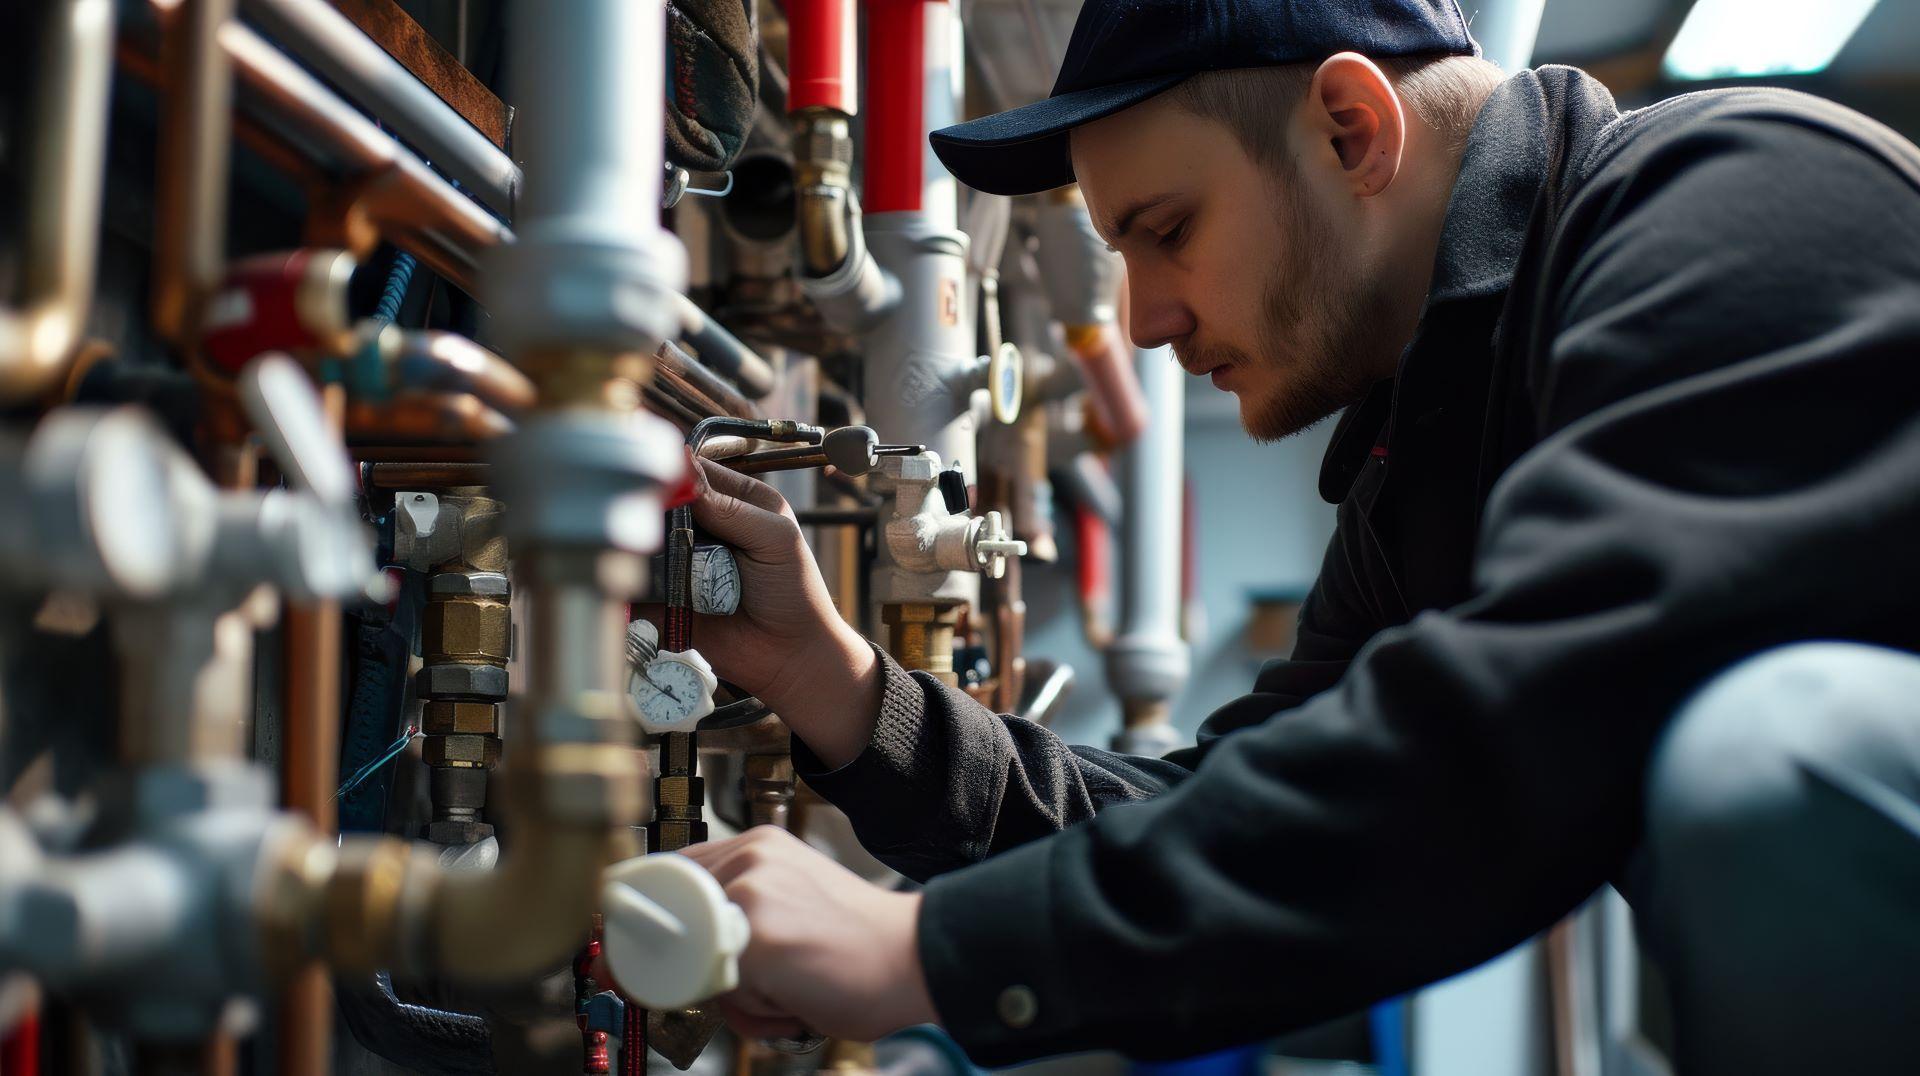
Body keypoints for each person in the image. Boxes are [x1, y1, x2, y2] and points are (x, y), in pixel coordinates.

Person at [674, 0, 1920, 1071]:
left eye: (1166, 230)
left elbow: (1512, 734)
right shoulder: (1435, 443)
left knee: (1779, 751)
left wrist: (925, 951)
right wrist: (838, 686)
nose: (1147, 318)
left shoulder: (1729, 199)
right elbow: (1231, 807)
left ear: (1351, 128)